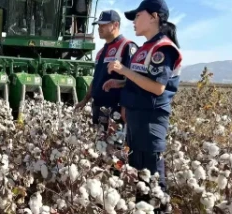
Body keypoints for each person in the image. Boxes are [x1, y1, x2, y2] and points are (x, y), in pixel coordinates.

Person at [107, 0, 182, 211]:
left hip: (150, 122)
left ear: (154, 17)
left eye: (138, 16)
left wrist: (124, 71)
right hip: (137, 121)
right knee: (140, 179)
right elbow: (141, 81)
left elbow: (158, 88)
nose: (133, 22)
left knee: (153, 181)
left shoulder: (162, 48)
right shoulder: (145, 48)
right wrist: (121, 82)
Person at [75, 10, 138, 133]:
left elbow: (134, 80)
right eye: (98, 25)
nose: (99, 28)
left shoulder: (127, 46)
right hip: (98, 108)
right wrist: (85, 99)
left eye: (103, 25)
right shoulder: (100, 52)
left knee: (115, 148)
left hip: (116, 111)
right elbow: (96, 78)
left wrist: (126, 107)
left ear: (115, 25)